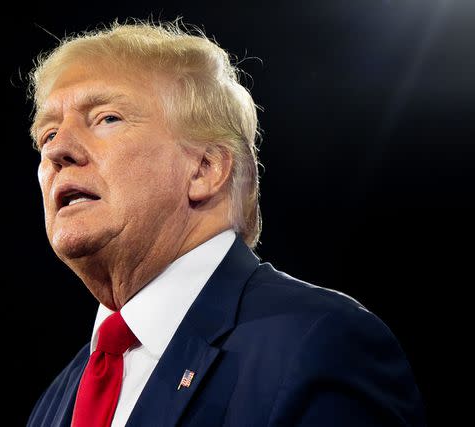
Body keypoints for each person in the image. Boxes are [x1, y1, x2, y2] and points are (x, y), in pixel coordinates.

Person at [26, 20, 426, 427]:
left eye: (106, 118)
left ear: (205, 168)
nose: (58, 150)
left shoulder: (321, 343)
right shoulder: (57, 402)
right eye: (48, 134)